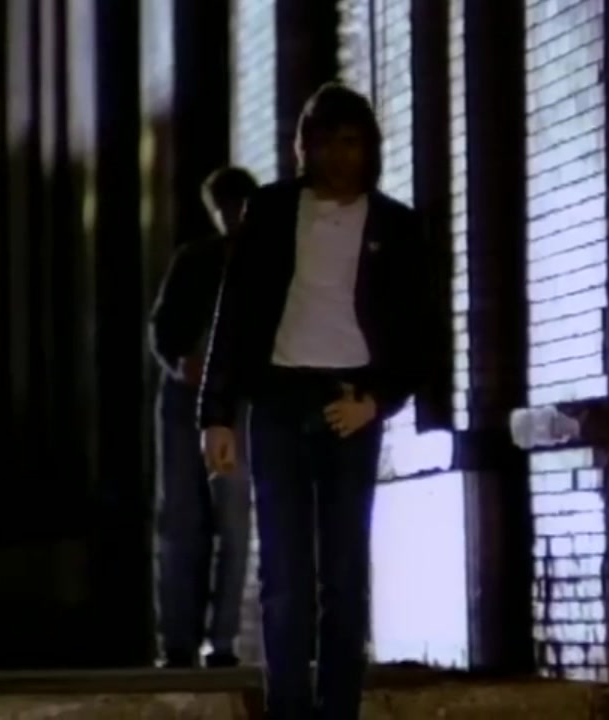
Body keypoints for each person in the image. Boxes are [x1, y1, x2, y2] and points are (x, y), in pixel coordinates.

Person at [198, 83, 445, 718]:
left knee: (343, 572)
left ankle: (337, 710)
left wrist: (377, 401)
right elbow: (235, 314)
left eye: (351, 142)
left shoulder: (396, 225)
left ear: (370, 149)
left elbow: (422, 337)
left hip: (350, 405)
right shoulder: (271, 210)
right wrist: (216, 416)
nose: (338, 156)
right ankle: (288, 709)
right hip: (278, 401)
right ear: (304, 147)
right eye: (325, 142)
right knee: (284, 575)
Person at [148, 166, 258, 669]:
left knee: (228, 521)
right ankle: (182, 641)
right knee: (183, 521)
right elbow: (162, 327)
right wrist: (181, 363)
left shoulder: (263, 262)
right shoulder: (195, 259)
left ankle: (219, 640)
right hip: (188, 400)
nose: (229, 217)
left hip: (232, 402)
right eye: (224, 208)